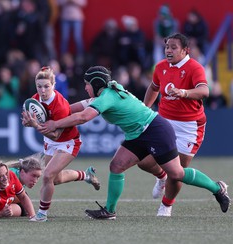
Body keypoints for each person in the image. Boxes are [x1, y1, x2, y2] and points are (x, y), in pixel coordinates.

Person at [38, 65, 230, 220]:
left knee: (177, 173)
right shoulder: (107, 90)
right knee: (117, 165)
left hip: (155, 130)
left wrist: (54, 123)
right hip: (138, 134)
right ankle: (110, 211)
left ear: (96, 84)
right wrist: (48, 113)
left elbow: (82, 117)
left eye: (88, 84)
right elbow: (75, 108)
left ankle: (217, 188)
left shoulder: (106, 97)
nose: (86, 88)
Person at [139, 33, 211, 216]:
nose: (168, 51)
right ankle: (160, 177)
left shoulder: (194, 67)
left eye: (173, 47)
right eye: (167, 47)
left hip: (189, 126)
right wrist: (145, 109)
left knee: (177, 172)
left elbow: (204, 90)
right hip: (163, 122)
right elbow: (154, 87)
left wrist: (184, 93)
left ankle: (166, 206)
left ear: (185, 50)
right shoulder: (161, 66)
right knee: (142, 161)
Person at [21, 66, 100, 222]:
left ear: (53, 85)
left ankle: (42, 214)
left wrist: (35, 125)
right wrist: (26, 121)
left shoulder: (60, 105)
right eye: (39, 86)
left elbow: (56, 135)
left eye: (46, 86)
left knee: (47, 175)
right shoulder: (35, 99)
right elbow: (29, 120)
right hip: (49, 141)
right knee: (55, 179)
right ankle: (86, 175)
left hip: (68, 142)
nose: (42, 90)